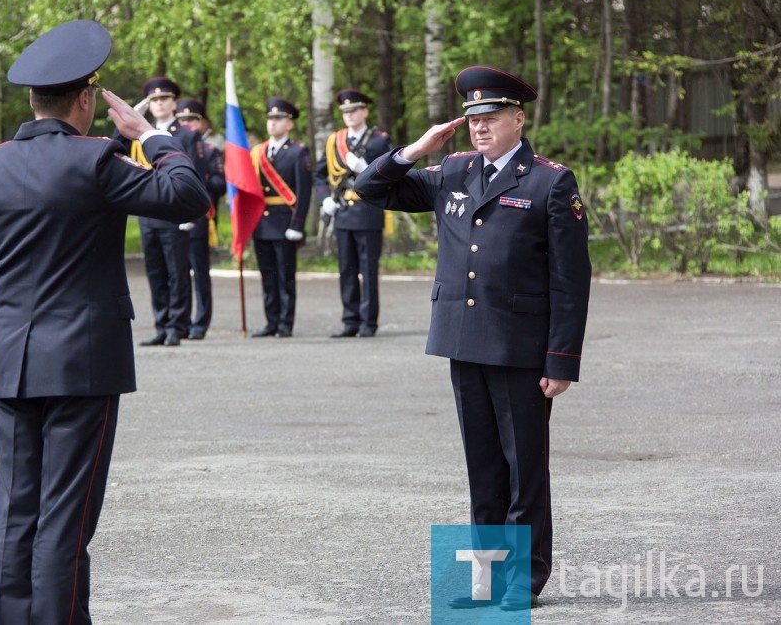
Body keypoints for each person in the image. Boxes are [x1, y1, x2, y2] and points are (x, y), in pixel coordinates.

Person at [0, 20, 209, 625]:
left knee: (17, 517)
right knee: (63, 524)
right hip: (83, 367)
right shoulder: (96, 160)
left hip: (12, 366)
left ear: (34, 100)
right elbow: (187, 197)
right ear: (87, 98)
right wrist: (152, 135)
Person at [354, 66, 591, 610]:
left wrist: (561, 359)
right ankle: (486, 578)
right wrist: (416, 148)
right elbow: (370, 189)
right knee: (483, 467)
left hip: (520, 348)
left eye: (490, 117)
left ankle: (524, 580)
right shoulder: (454, 170)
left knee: (522, 467)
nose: (479, 126)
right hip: (464, 342)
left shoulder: (549, 182)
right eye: (472, 118)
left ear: (518, 118)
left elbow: (570, 281)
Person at [114, 76, 206, 346]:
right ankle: (161, 323)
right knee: (155, 272)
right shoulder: (139, 136)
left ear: (174, 103)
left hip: (175, 213)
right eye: (153, 100)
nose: (159, 104)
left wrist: (192, 215)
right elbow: (118, 153)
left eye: (164, 99)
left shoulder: (187, 135)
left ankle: (177, 326)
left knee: (178, 272)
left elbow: (195, 175)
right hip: (147, 213)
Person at [313, 88, 392, 338]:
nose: (349, 114)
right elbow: (319, 174)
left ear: (365, 111)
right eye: (345, 111)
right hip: (343, 213)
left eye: (354, 109)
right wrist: (325, 199)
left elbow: (391, 175)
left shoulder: (379, 140)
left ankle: (368, 322)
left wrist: (366, 169)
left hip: (368, 212)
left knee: (368, 270)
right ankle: (350, 320)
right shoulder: (334, 140)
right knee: (346, 269)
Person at [249, 97, 312, 337]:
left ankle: (286, 323)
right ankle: (271, 321)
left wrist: (297, 223)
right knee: (267, 276)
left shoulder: (298, 152)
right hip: (262, 224)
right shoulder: (258, 152)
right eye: (270, 118)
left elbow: (303, 193)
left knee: (285, 277)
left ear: (289, 124)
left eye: (278, 118)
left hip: (285, 222)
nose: (273, 123)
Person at [176, 98, 227, 339]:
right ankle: (181, 322)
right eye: (182, 119)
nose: (186, 123)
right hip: (174, 219)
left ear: (201, 122)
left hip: (200, 216)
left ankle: (200, 322)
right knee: (178, 273)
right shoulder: (171, 145)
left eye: (191, 119)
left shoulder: (210, 150)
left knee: (199, 272)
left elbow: (220, 182)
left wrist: (196, 182)